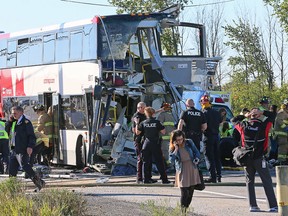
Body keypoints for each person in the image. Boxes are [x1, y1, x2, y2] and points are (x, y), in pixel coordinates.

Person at [232, 108, 278, 212]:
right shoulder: (264, 125)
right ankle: (273, 206)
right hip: (259, 157)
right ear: (258, 115)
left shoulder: (243, 125)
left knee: (249, 182)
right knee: (267, 181)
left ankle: (253, 206)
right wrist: (262, 112)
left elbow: (233, 120)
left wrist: (245, 116)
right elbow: (272, 116)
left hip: (247, 158)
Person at [6, 106, 45, 191]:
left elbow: (32, 136)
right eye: (12, 113)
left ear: (21, 113)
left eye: (15, 113)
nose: (13, 115)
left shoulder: (26, 123)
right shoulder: (13, 122)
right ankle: (12, 188)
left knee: (25, 166)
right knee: (12, 170)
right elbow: (7, 130)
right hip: (13, 150)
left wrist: (30, 146)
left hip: (22, 149)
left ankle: (39, 182)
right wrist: (9, 121)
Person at [134, 107, 170, 184]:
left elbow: (137, 132)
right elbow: (163, 132)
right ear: (153, 113)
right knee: (159, 161)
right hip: (155, 143)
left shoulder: (143, 123)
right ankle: (164, 179)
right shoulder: (157, 122)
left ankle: (146, 179)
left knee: (146, 162)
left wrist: (137, 123)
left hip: (146, 144)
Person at [169, 130, 201, 213]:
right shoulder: (173, 148)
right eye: (178, 140)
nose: (180, 141)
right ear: (174, 140)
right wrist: (176, 149)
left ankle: (186, 209)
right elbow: (171, 161)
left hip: (192, 167)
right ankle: (182, 212)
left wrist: (197, 159)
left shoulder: (189, 142)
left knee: (190, 192)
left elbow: (197, 152)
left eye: (181, 139)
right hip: (182, 170)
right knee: (184, 192)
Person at [200, 95, 222, 183]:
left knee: (209, 157)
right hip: (216, 136)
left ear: (202, 103)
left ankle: (212, 177)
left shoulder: (204, 113)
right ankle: (218, 176)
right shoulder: (216, 112)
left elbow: (203, 126)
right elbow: (220, 122)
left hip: (208, 136)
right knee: (217, 157)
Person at [132, 102, 148, 183]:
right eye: (144, 108)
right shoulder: (137, 117)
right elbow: (135, 131)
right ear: (139, 108)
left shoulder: (144, 115)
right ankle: (139, 178)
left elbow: (152, 112)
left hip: (145, 140)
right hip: (139, 140)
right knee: (140, 159)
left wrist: (161, 110)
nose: (145, 109)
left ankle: (146, 177)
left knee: (145, 158)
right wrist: (137, 124)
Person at [157, 102, 176, 168]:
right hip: (172, 138)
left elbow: (158, 125)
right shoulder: (173, 115)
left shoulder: (162, 115)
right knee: (171, 151)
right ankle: (173, 165)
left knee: (165, 152)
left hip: (164, 139)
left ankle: (169, 165)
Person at [274, 99, 288, 164]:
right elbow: (279, 121)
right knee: (283, 147)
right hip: (281, 134)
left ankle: (284, 160)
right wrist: (286, 128)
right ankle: (281, 161)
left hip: (284, 134)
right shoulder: (282, 112)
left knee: (285, 147)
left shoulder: (286, 112)